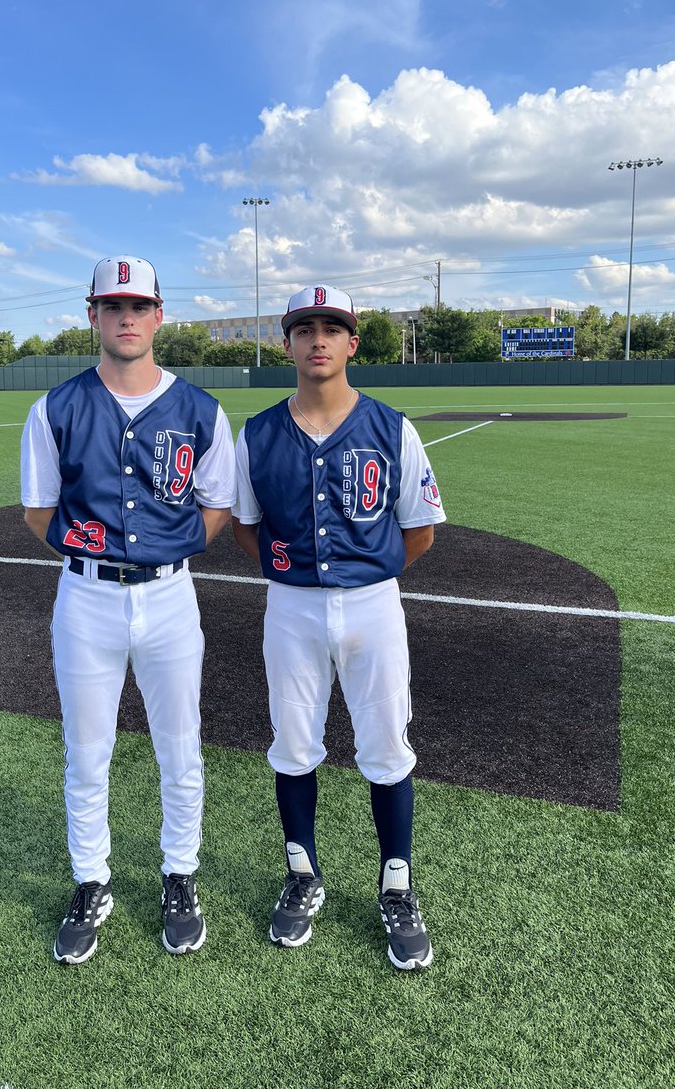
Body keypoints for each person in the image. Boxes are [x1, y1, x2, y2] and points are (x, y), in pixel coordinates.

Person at [21, 255, 236, 962]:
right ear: (92, 314)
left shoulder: (201, 410)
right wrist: (98, 559)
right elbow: (39, 510)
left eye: (138, 305)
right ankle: (91, 880)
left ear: (158, 314)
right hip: (85, 599)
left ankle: (180, 875)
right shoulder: (54, 407)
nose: (126, 317)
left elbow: (216, 509)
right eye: (112, 306)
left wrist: (162, 554)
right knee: (88, 754)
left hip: (171, 597)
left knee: (181, 749)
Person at [231, 285, 445, 970]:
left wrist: (365, 573)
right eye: (304, 328)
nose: (318, 338)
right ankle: (302, 876)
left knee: (385, 747)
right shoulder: (259, 431)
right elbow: (244, 525)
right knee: (293, 746)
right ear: (287, 343)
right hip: (291, 607)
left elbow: (419, 531)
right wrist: (294, 573)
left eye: (332, 327)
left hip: (374, 604)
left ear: (353, 343)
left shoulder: (391, 426)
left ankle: (397, 884)